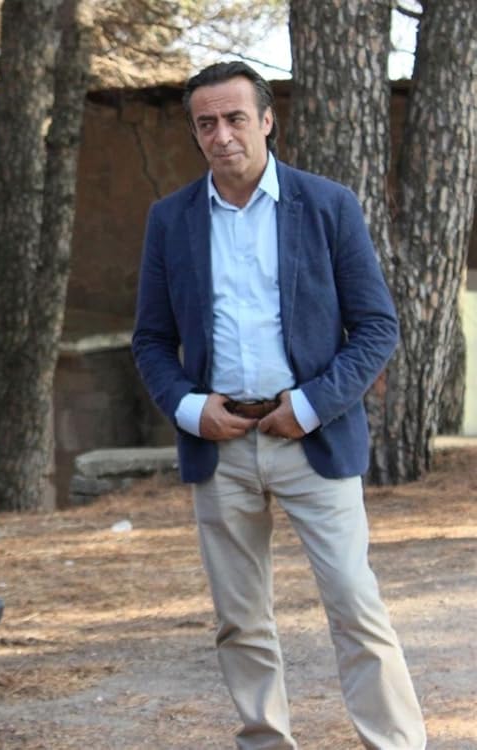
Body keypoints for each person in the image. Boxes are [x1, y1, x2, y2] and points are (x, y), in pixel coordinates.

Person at [132, 61, 426, 749]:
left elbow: (376, 326)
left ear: (267, 121)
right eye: (206, 123)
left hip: (312, 438)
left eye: (236, 118)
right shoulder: (171, 219)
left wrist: (313, 404)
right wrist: (189, 409)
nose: (222, 134)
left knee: (355, 604)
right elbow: (151, 340)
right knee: (240, 620)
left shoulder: (326, 205)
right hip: (220, 443)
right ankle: (265, 740)